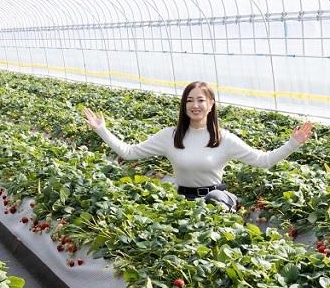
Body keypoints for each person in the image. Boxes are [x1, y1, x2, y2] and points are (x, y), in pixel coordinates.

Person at [83, 81, 313, 210]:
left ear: (211, 104)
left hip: (217, 204)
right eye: (189, 100)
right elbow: (129, 153)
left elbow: (263, 161)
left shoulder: (224, 139)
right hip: (183, 204)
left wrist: (292, 144)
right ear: (184, 105)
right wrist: (102, 130)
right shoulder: (170, 137)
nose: (195, 105)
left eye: (201, 100)